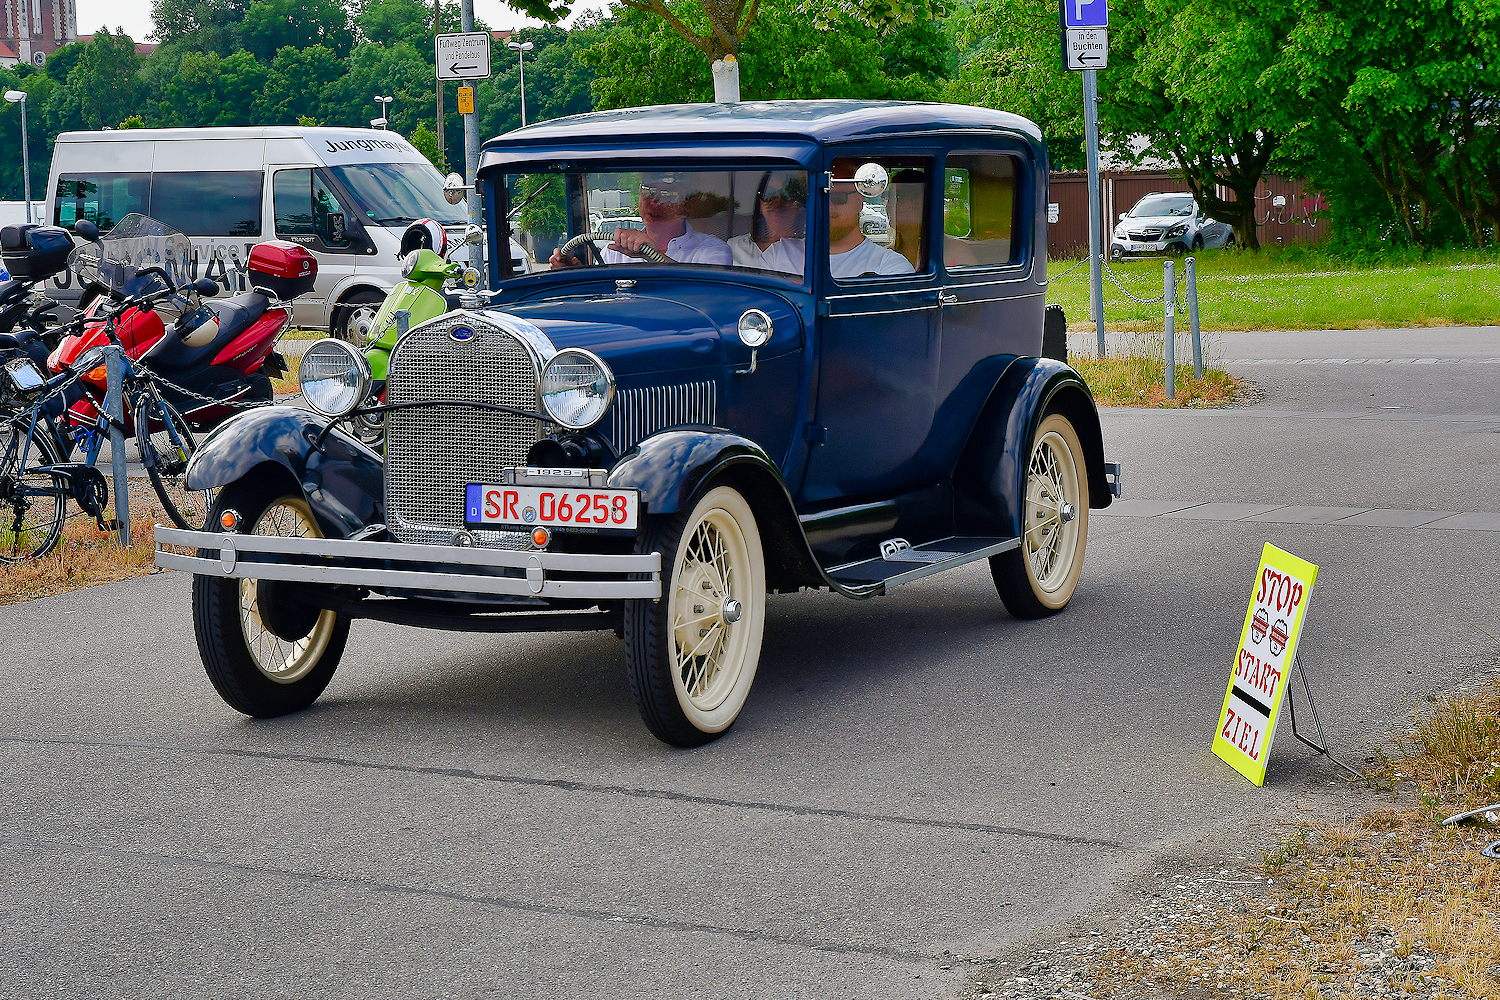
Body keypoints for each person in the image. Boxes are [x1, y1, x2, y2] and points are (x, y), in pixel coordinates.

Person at [550, 173, 731, 268]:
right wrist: (573, 272)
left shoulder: (713, 250)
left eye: (668, 193)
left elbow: (708, 297)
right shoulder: (613, 252)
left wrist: (652, 255)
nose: (655, 201)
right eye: (648, 191)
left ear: (688, 205)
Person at [827, 160, 914, 279]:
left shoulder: (888, 266)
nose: (828, 206)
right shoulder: (797, 255)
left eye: (838, 197)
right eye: (820, 198)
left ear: (859, 202)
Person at [728, 170, 807, 276]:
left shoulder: (807, 253)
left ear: (799, 205)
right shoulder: (734, 248)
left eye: (786, 195)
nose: (777, 202)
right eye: (770, 193)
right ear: (760, 203)